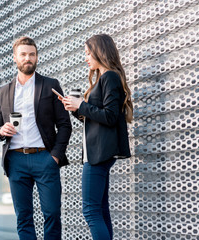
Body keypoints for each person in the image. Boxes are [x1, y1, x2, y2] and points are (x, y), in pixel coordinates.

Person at [0, 36, 72, 239]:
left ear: (36, 57)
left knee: (52, 213)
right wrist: (1, 131)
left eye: (32, 54)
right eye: (24, 54)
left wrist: (55, 156)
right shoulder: (3, 92)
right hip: (15, 160)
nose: (28, 58)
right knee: (24, 217)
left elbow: (64, 125)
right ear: (15, 58)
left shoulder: (50, 85)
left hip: (45, 158)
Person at [62, 34, 133, 240]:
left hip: (99, 154)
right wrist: (76, 110)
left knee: (91, 211)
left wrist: (82, 105)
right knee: (100, 210)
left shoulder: (109, 77)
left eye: (88, 53)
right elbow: (96, 120)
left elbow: (110, 116)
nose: (86, 58)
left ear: (100, 52)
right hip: (97, 152)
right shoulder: (104, 79)